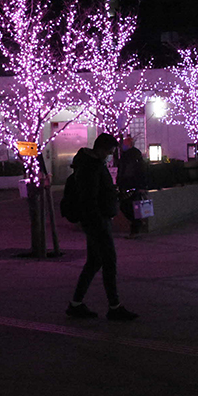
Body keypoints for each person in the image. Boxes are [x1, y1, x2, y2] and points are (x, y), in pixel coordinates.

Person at [66, 133, 138, 321]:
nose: (109, 156)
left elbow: (97, 194)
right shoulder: (91, 167)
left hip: (95, 220)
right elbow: (89, 198)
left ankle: (76, 304)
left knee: (95, 262)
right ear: (101, 149)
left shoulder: (91, 164)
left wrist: (114, 197)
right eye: (109, 152)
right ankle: (114, 307)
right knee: (109, 262)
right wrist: (99, 221)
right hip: (98, 222)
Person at [116, 136, 147, 236]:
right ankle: (136, 226)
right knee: (131, 206)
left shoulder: (129, 156)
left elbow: (136, 171)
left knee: (128, 206)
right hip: (131, 184)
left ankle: (135, 227)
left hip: (130, 184)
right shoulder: (131, 155)